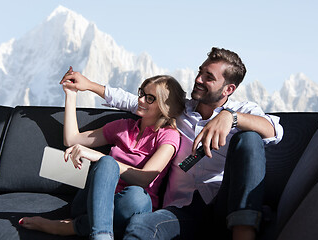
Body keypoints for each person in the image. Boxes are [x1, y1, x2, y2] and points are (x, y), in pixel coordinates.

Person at [56, 47, 284, 240]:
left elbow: (275, 130)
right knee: (140, 227)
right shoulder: (179, 111)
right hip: (181, 210)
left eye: (209, 77)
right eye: (200, 72)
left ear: (228, 89)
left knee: (250, 137)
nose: (198, 79)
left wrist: (231, 117)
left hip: (223, 205)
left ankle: (244, 231)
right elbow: (134, 102)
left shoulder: (243, 111)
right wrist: (89, 85)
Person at [19, 70, 186, 240]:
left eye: (150, 98)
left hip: (129, 207)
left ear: (165, 107)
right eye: (142, 93)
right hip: (92, 202)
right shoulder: (123, 127)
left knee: (137, 196)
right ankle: (100, 235)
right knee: (107, 164)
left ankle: (72, 227)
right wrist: (71, 95)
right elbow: (72, 139)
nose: (141, 100)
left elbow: (145, 179)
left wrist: (100, 158)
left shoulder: (169, 135)